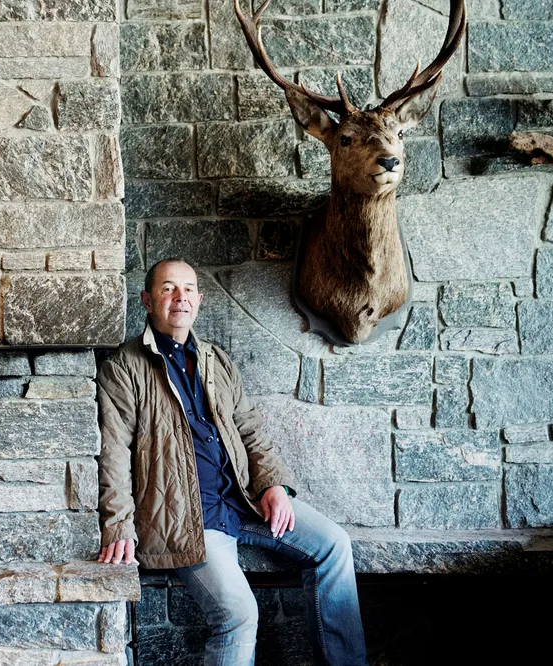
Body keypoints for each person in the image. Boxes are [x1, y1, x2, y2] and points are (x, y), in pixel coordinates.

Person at [96, 258, 368, 666]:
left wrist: (273, 485)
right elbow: (114, 452)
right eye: (168, 288)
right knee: (238, 616)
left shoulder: (216, 361)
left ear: (199, 300)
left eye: (188, 289)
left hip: (244, 502)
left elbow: (250, 430)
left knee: (334, 545)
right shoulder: (124, 368)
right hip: (187, 519)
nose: (180, 297)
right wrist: (118, 524)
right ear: (147, 301)